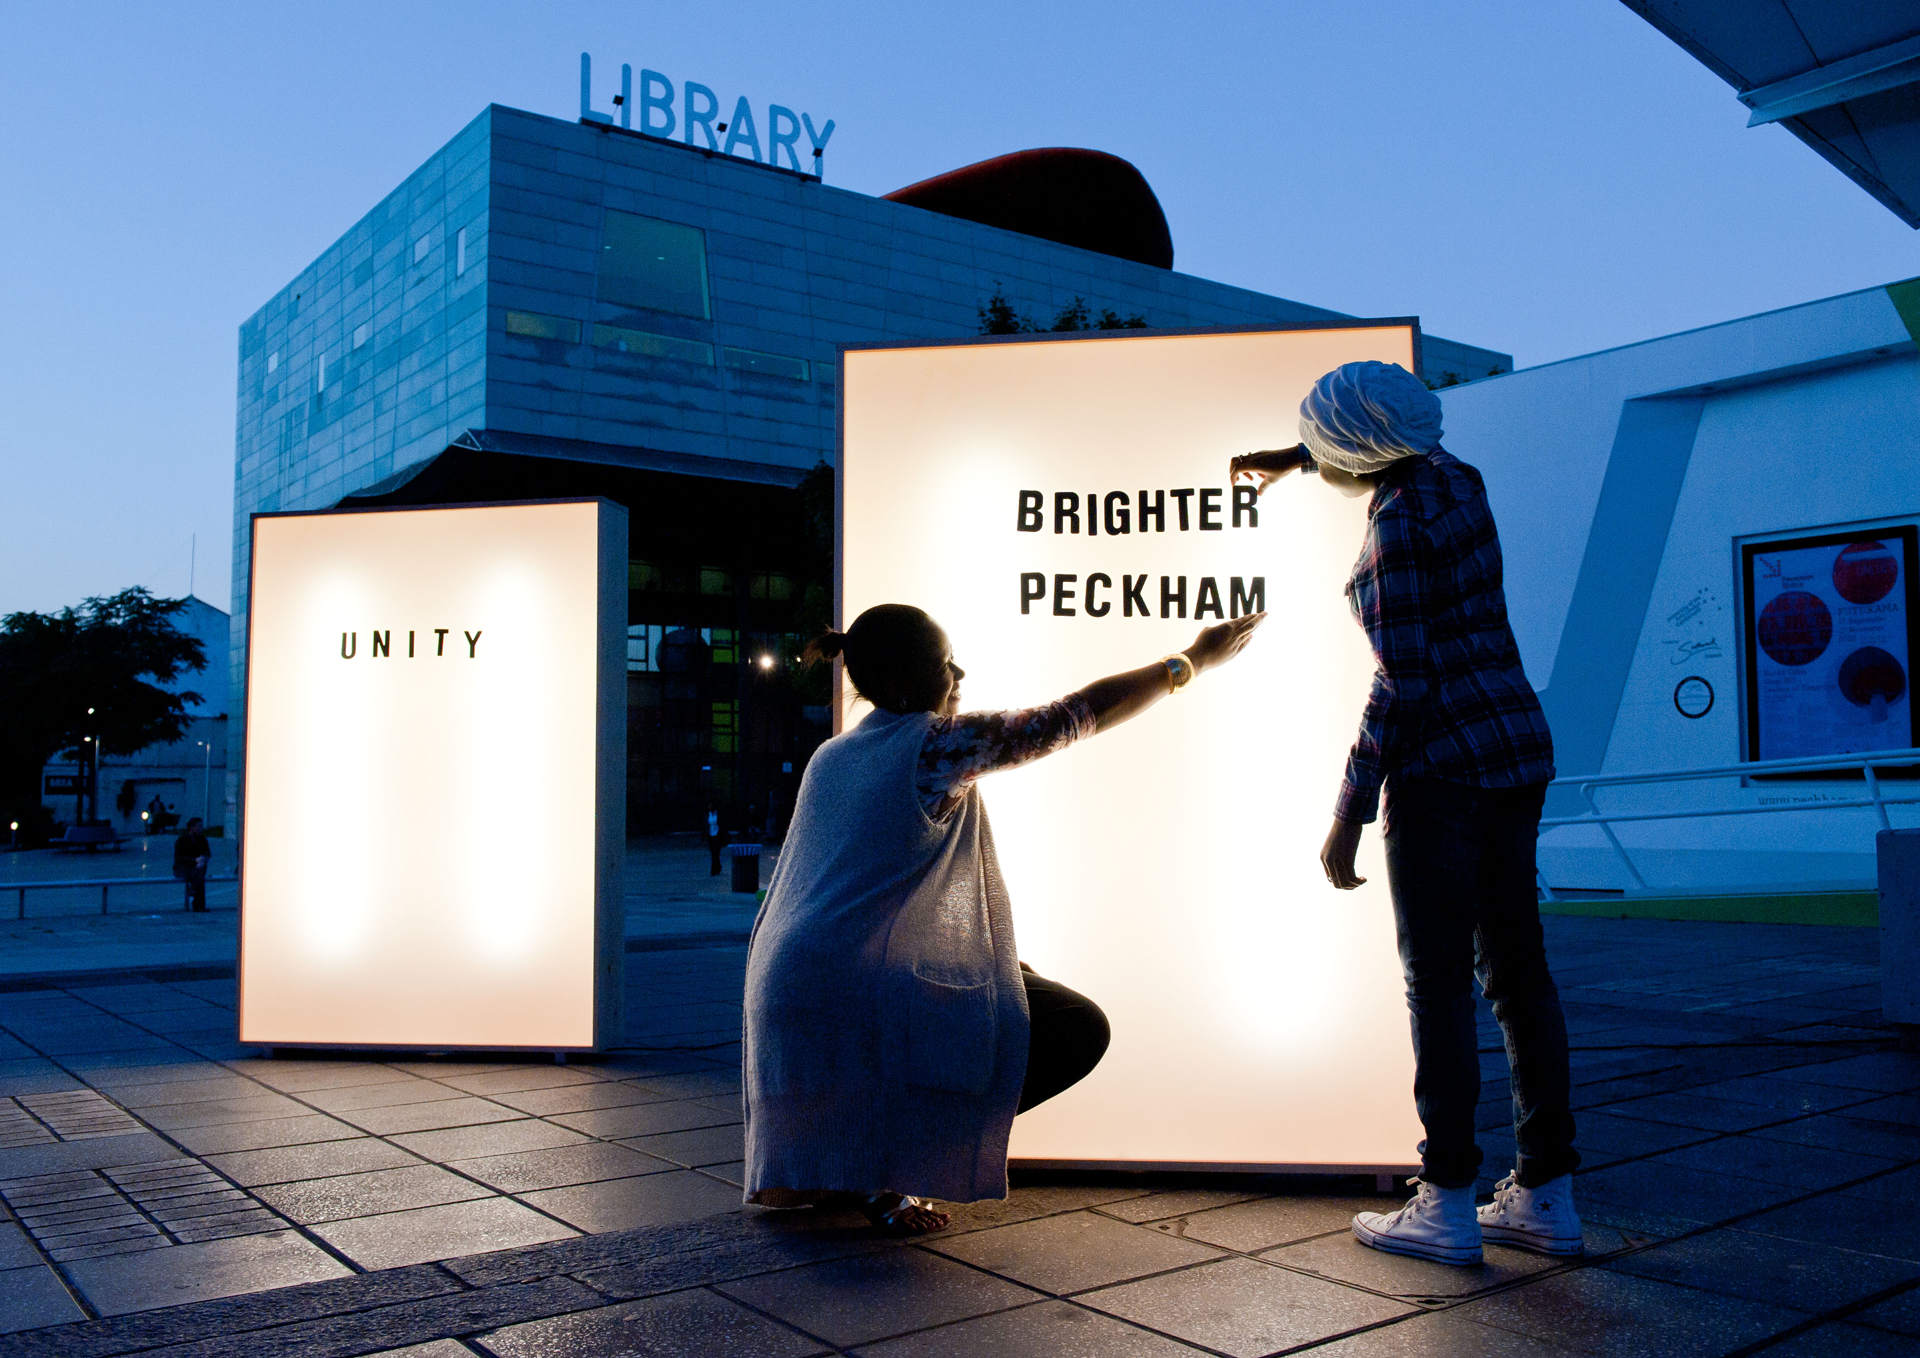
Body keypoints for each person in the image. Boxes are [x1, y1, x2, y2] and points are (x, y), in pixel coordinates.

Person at [744, 602, 1264, 1233]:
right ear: (912, 684)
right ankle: (887, 1169)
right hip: (858, 989)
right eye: (945, 663)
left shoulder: (834, 755)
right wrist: (1193, 660)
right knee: (1074, 1026)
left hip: (794, 983)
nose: (959, 672)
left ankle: (851, 1168)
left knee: (1014, 1000)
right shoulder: (932, 746)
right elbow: (1073, 717)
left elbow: (867, 892)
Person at [1232, 360, 1580, 1266]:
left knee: (1438, 985)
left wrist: (1347, 809)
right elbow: (1391, 450)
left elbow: (1405, 685)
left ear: (1355, 447)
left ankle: (1448, 1200)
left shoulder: (1390, 534)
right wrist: (1297, 460)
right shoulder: (1455, 476)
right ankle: (1547, 1194)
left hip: (1444, 772)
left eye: (1324, 441)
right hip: (1516, 747)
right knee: (1519, 976)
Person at [173, 817, 211, 912]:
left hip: (197, 868)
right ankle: (199, 905)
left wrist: (202, 858)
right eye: (199, 826)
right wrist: (195, 860)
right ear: (192, 827)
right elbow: (179, 858)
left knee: (201, 869)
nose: (201, 828)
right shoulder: (182, 840)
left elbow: (208, 853)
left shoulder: (202, 840)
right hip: (183, 868)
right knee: (199, 875)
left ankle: (193, 889)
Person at [706, 807, 725, 877]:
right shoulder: (707, 814)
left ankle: (714, 869)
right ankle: (717, 867)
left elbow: (722, 824)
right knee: (713, 853)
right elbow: (705, 825)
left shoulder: (718, 814)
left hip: (717, 835)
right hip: (710, 835)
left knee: (716, 853)